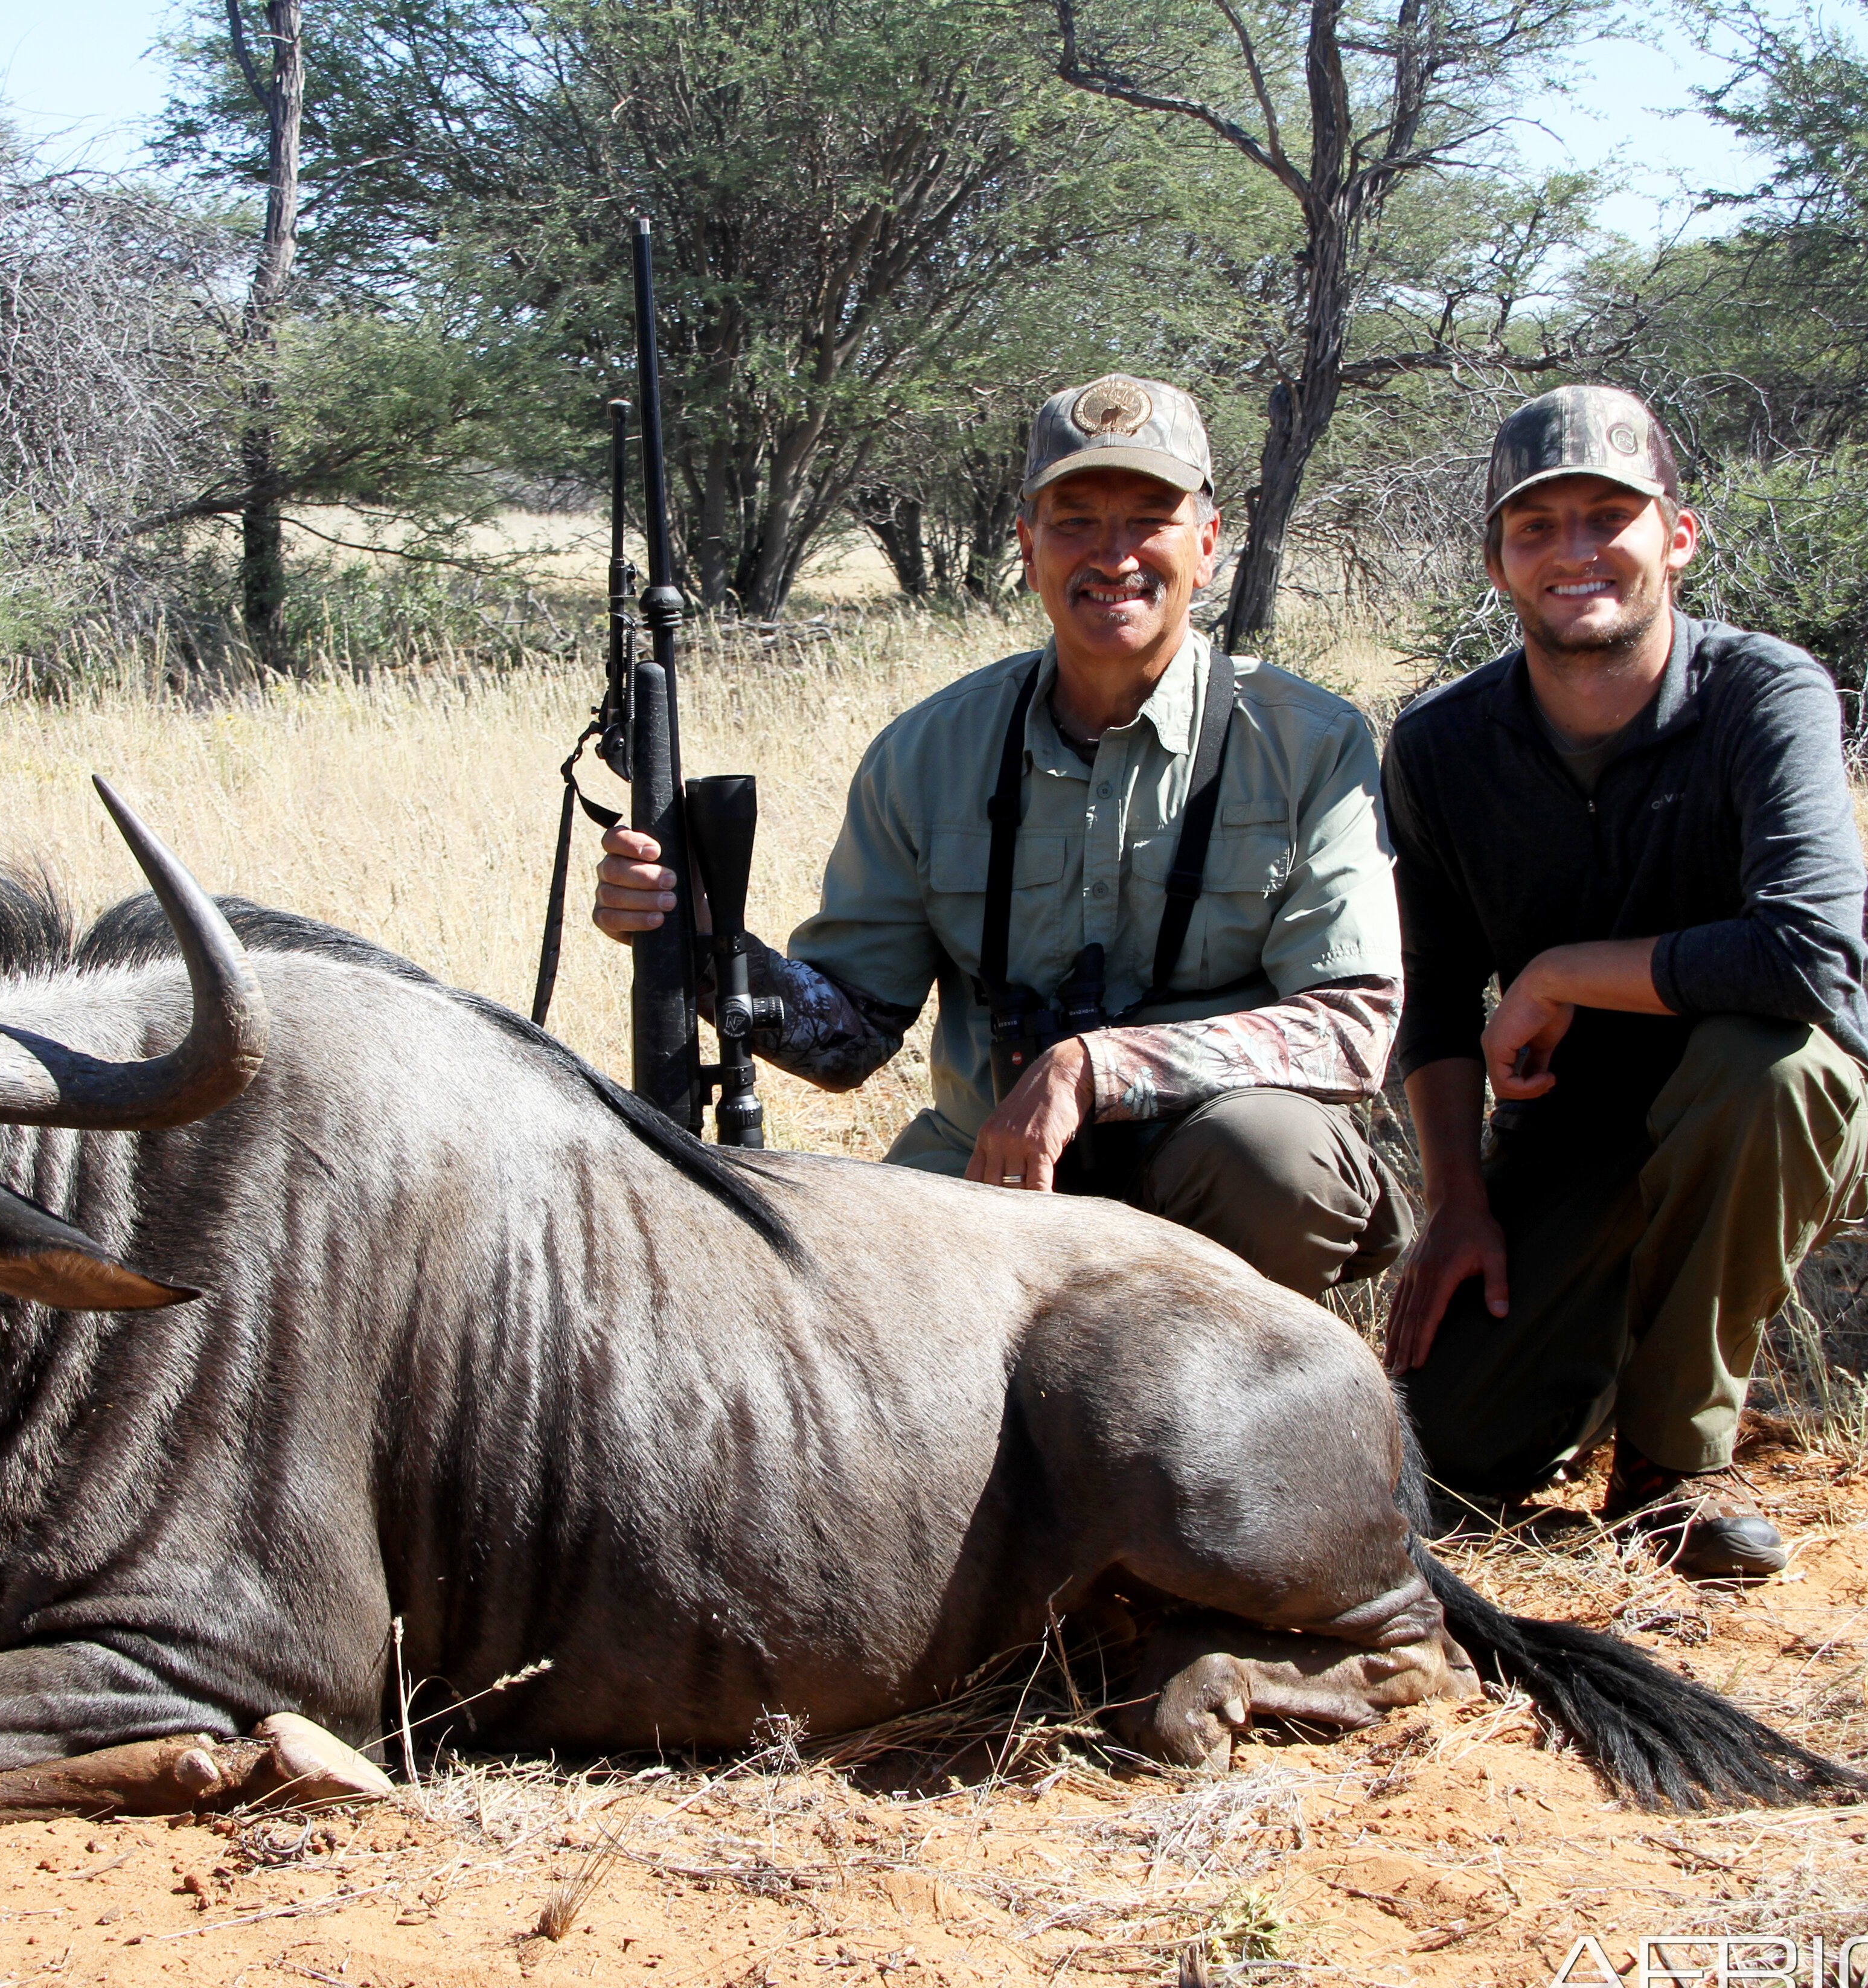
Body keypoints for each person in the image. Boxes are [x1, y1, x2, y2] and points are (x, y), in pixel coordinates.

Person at [592, 372, 1406, 1300]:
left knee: (1275, 1160)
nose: (1113, 554)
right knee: (816, 1307)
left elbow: (1350, 1029)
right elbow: (850, 1037)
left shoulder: (1311, 741)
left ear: (1210, 544)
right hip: (988, 1176)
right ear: (1026, 546)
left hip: (1206, 1173)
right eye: (1074, 522)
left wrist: (1094, 1067)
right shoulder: (928, 749)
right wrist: (698, 938)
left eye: (1149, 517)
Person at [1381, 384, 1868, 1579]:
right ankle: (1617, 1339)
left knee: (1752, 1070)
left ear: (1677, 535)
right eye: (1538, 528)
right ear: (1496, 563)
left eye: (1608, 517)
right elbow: (1433, 998)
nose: (1576, 552)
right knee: (1452, 1453)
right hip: (1578, 1133)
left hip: (1786, 1106)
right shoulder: (1439, 746)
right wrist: (1460, 1200)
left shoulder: (1766, 696)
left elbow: (1807, 956)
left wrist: (1567, 971)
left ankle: (1672, 1468)